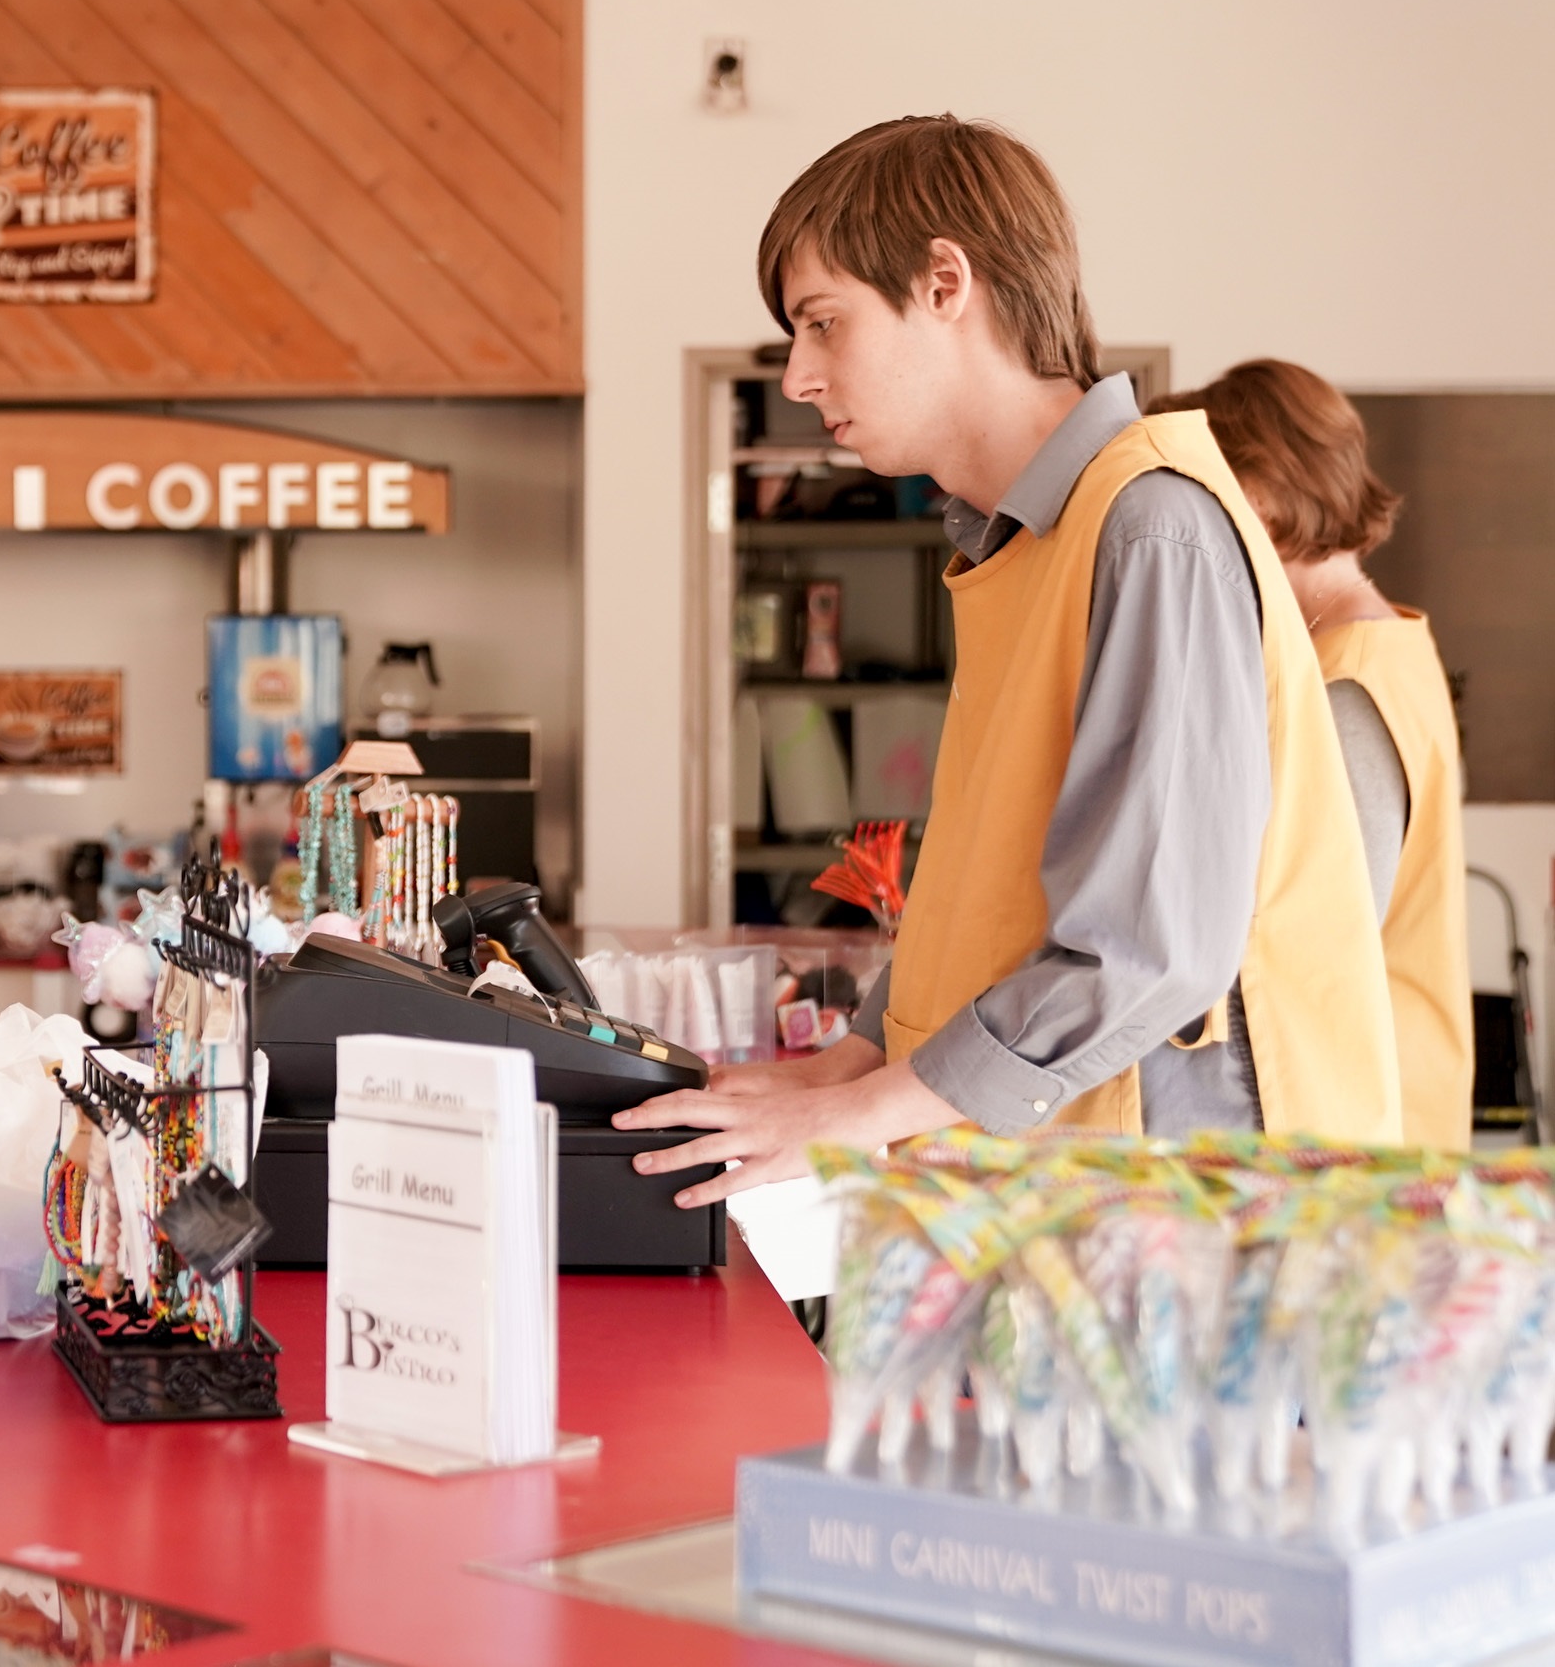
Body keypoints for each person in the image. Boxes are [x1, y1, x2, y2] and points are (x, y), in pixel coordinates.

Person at [622, 117, 1400, 1203]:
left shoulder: (1147, 528)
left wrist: (856, 1114)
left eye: (823, 323)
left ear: (947, 281)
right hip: (1059, 1198)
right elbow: (999, 898)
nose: (799, 375)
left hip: (1180, 1216)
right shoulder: (1025, 542)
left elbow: (1146, 951)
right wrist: (845, 1066)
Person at [1152, 359, 1472, 1148]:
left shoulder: (1346, 687)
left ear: (1254, 496)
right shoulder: (1371, 646)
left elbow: (1311, 941)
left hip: (1354, 1127)